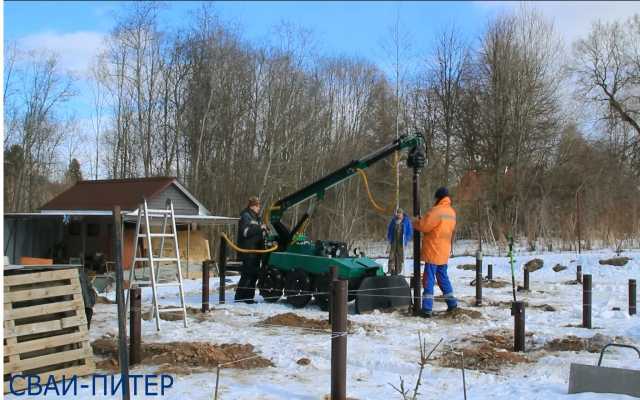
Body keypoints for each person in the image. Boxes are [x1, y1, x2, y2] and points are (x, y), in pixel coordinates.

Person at [412, 187, 458, 317]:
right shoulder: (452, 212)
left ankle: (426, 309)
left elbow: (424, 226)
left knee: (429, 279)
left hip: (433, 250)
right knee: (443, 277)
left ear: (438, 198)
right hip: (444, 251)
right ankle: (452, 304)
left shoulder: (437, 211)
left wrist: (415, 221)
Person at [235, 196, 267, 304]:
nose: (259, 207)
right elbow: (245, 232)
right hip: (248, 251)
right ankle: (240, 298)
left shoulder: (257, 217)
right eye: (258, 205)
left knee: (253, 275)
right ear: (253, 206)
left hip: (256, 252)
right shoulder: (245, 216)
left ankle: (249, 298)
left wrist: (264, 230)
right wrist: (260, 228)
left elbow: (258, 231)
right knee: (247, 275)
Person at [386, 208, 412, 275]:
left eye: (400, 213)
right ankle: (390, 270)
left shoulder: (406, 221)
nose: (398, 215)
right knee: (391, 255)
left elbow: (410, 232)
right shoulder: (393, 220)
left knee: (399, 257)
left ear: (402, 214)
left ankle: (398, 271)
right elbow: (390, 230)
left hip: (401, 242)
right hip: (394, 241)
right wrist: (389, 238)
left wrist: (406, 239)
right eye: (397, 213)